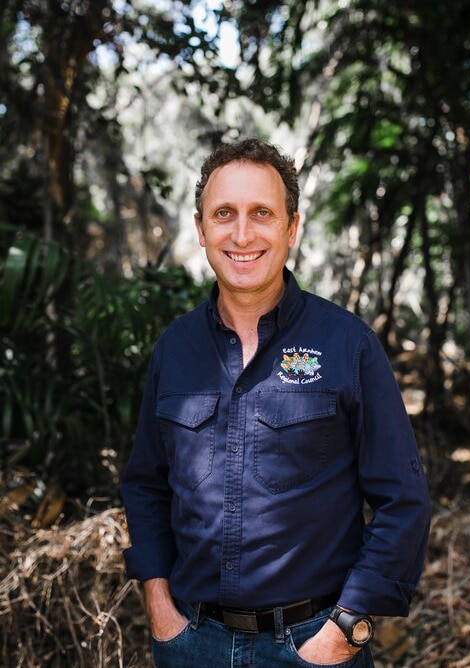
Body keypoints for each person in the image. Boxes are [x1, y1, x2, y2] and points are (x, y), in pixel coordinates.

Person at [121, 138, 431, 668]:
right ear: (201, 230)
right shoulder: (175, 348)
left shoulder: (347, 345)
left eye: (261, 213)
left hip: (312, 645)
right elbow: (146, 483)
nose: (242, 234)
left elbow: (404, 500)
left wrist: (346, 628)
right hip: (190, 641)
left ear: (292, 228)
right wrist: (157, 602)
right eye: (224, 214)